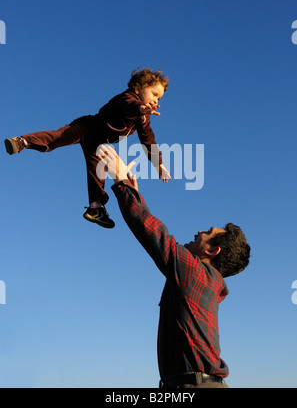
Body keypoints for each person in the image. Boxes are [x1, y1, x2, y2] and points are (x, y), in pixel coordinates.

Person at [97, 145, 251, 388]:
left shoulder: (196, 273)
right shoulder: (202, 282)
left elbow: (154, 233)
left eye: (207, 233)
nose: (199, 231)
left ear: (212, 251)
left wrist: (122, 182)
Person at [4, 68, 171, 228]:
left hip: (99, 143)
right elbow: (129, 104)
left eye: (160, 98)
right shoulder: (127, 98)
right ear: (138, 88)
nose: (156, 100)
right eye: (154, 94)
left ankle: (95, 208)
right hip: (87, 128)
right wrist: (140, 108)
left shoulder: (143, 119)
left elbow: (148, 139)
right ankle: (22, 142)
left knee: (97, 172)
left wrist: (158, 164)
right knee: (57, 138)